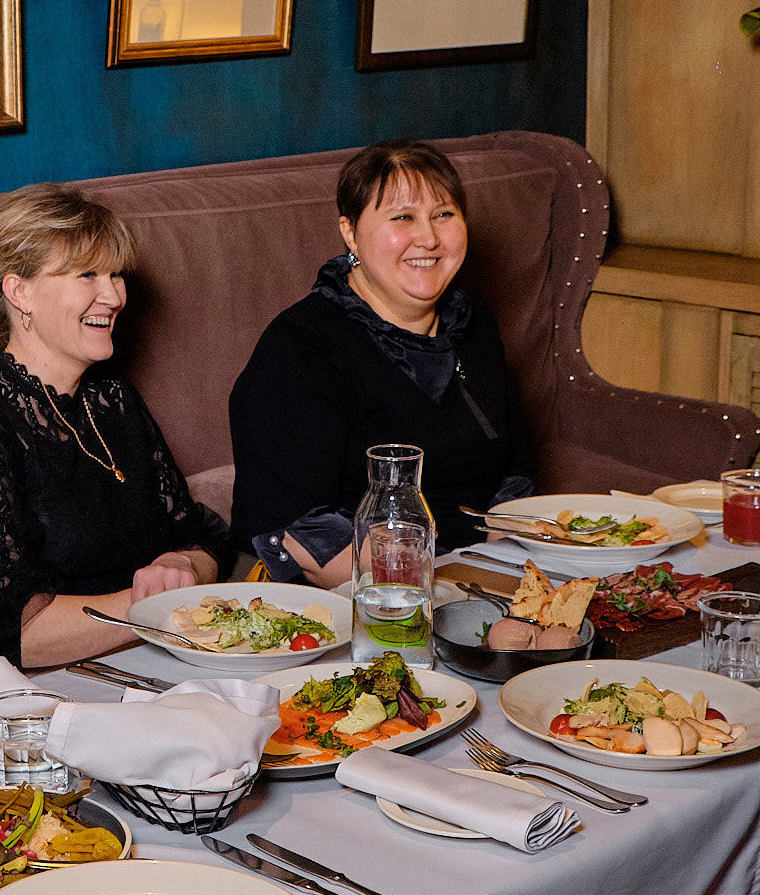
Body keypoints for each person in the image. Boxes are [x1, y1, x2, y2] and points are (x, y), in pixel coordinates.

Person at [0, 184, 231, 672]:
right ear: (19, 292)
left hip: (156, 665)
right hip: (36, 699)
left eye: (115, 274)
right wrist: (154, 608)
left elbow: (199, 538)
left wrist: (182, 566)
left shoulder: (111, 397)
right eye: (88, 275)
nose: (114, 295)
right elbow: (13, 633)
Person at [229, 140, 536, 585]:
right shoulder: (300, 347)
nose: (429, 238)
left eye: (444, 214)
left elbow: (516, 473)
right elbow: (298, 531)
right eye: (402, 218)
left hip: (468, 574)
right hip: (340, 588)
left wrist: (500, 576)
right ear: (350, 232)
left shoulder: (473, 325)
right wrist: (435, 599)